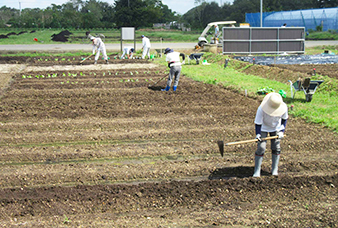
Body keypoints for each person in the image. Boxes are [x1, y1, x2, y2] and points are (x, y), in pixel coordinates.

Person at [253, 92, 288, 177]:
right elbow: (258, 123)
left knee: (276, 147)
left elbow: (284, 120)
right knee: (261, 147)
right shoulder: (261, 109)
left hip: (276, 128)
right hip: (263, 128)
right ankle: (257, 171)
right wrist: (258, 134)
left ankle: (274, 169)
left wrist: (281, 131)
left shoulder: (284, 108)